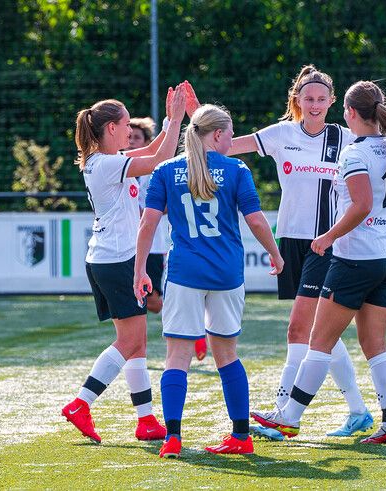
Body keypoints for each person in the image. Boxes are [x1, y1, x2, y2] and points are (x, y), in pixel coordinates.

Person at [185, 69, 386, 439]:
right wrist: (201, 120)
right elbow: (224, 144)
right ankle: (368, 413)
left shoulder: (348, 141)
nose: (315, 105)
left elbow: (367, 196)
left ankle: (285, 412)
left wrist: (330, 235)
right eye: (307, 98)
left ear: (337, 104)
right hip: (306, 241)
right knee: (341, 336)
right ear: (296, 100)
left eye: (322, 99)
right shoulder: (287, 135)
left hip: (334, 247)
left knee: (306, 332)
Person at [252, 80, 386, 444]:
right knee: (375, 344)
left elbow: (360, 205)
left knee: (319, 341)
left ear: (349, 113)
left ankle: (290, 417)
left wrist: (329, 236)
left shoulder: (354, 154)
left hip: (355, 259)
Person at [134, 104, 284, 458]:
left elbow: (148, 224)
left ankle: (172, 438)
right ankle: (241, 436)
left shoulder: (166, 170)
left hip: (185, 274)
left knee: (177, 357)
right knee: (227, 356)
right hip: (227, 274)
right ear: (217, 134)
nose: (233, 140)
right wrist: (275, 255)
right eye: (230, 133)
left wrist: (140, 269)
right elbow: (257, 221)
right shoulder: (236, 169)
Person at [61, 85, 187, 443]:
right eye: (126, 123)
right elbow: (159, 157)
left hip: (111, 259)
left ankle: (146, 420)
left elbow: (150, 150)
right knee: (130, 339)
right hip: (115, 261)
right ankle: (81, 402)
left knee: (137, 341)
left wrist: (167, 122)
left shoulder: (106, 160)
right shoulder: (106, 164)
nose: (130, 130)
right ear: (112, 129)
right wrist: (176, 120)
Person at [128, 117, 170, 315]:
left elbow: (170, 202)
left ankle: (193, 324)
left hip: (152, 244)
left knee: (152, 302)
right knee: (129, 299)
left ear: (147, 143)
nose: (131, 141)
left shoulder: (156, 170)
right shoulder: (119, 166)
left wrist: (147, 214)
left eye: (136, 137)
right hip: (125, 244)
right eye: (129, 137)